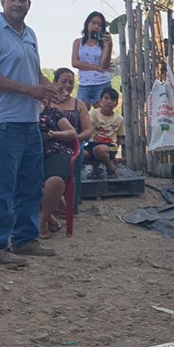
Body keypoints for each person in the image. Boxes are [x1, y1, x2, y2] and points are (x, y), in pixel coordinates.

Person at [0, 0, 63, 266]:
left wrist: (49, 89)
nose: (17, 3)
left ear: (29, 3)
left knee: (30, 185)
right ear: (2, 1)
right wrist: (29, 90)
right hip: (3, 122)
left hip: (29, 121)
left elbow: (35, 74)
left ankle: (25, 239)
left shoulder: (30, 34)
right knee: (1, 187)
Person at [45, 68, 92, 216]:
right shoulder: (46, 102)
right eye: (64, 81)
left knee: (73, 157)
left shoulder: (79, 104)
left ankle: (67, 201)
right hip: (47, 143)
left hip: (72, 144)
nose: (67, 85)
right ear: (54, 82)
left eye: (71, 82)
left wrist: (74, 139)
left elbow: (88, 129)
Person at [38, 101, 78, 240]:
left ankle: (42, 220)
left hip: (54, 151)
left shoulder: (51, 111)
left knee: (55, 180)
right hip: (28, 153)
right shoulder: (19, 112)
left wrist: (53, 134)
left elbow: (71, 133)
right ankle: (48, 216)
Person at [71, 11, 113, 108]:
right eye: (93, 23)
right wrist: (96, 67)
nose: (96, 26)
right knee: (80, 110)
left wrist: (109, 46)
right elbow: (75, 63)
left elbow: (104, 65)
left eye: (99, 25)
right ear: (87, 24)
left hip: (102, 82)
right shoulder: (78, 42)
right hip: (84, 83)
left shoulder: (103, 43)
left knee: (101, 113)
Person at [87, 87, 123, 178]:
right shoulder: (93, 114)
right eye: (106, 98)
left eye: (113, 100)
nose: (109, 102)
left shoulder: (119, 119)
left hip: (110, 145)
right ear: (100, 101)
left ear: (116, 103)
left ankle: (111, 168)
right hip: (94, 143)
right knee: (80, 155)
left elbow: (119, 137)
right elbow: (89, 129)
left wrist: (114, 152)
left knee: (99, 150)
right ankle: (95, 169)